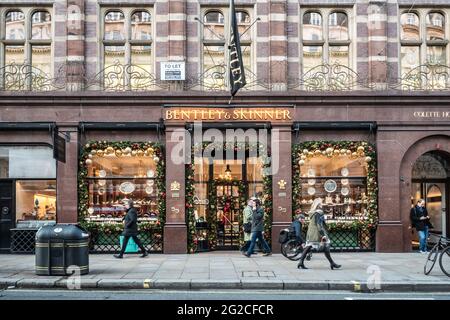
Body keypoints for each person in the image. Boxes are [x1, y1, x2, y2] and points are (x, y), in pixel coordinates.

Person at [297, 198, 341, 270]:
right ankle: (332, 263)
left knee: (309, 247)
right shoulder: (319, 212)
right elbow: (319, 224)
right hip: (317, 232)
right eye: (321, 203)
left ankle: (301, 262)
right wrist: (323, 234)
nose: (322, 204)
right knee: (323, 246)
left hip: (311, 232)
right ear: (318, 205)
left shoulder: (312, 212)